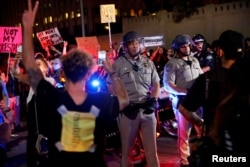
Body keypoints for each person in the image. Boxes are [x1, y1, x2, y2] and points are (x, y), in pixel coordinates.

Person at [21, 1, 129, 167]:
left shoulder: (51, 97)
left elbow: (29, 65)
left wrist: (27, 29)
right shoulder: (101, 101)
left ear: (63, 73)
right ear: (88, 73)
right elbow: (123, 100)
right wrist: (112, 72)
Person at [178, 30, 249, 167]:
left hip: (218, 149)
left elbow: (184, 108)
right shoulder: (245, 78)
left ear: (220, 51)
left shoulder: (208, 79)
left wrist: (200, 123)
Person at [111, 30, 160, 167]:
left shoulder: (148, 63)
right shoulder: (118, 64)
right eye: (131, 43)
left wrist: (154, 100)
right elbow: (111, 87)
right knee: (127, 152)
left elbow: (156, 83)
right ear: (126, 46)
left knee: (152, 151)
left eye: (137, 43)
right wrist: (123, 104)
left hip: (147, 110)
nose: (135, 46)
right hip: (128, 112)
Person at [163, 34, 203, 167]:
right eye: (182, 46)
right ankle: (185, 161)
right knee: (184, 134)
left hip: (198, 101)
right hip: (182, 103)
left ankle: (201, 155)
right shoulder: (172, 64)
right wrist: (187, 92)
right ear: (177, 49)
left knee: (201, 130)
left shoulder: (195, 61)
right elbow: (168, 85)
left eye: (187, 45)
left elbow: (201, 79)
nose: (186, 48)